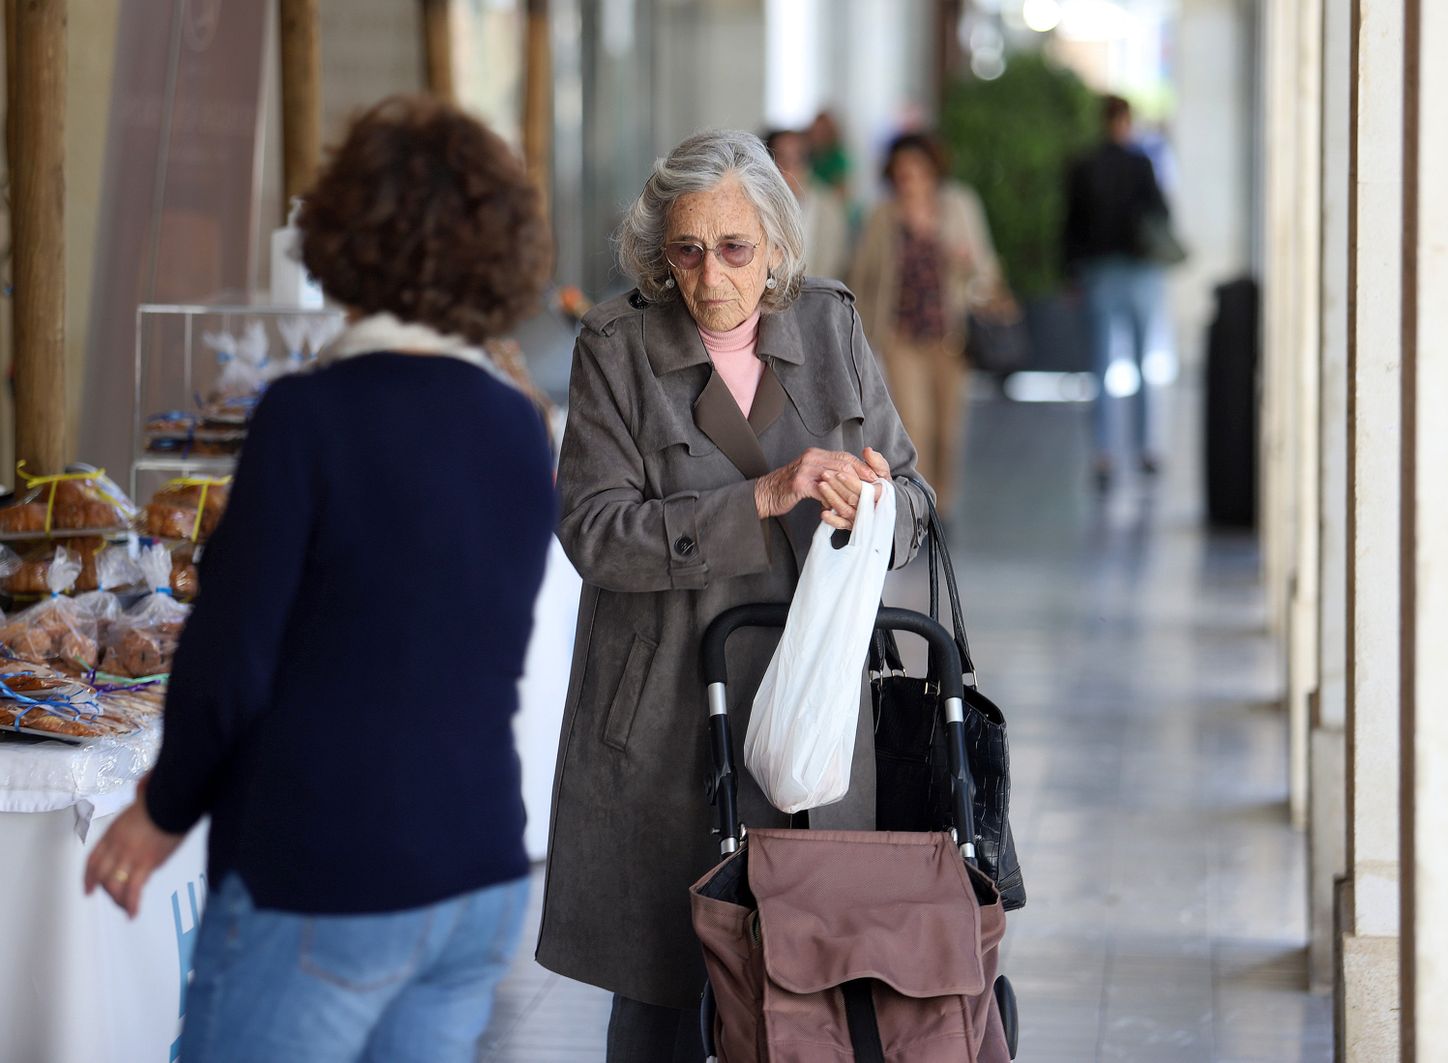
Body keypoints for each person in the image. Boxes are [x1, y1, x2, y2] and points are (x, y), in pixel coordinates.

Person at [82, 95, 557, 1062]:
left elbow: (230, 657)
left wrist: (161, 807)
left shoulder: (310, 416)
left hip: (328, 864)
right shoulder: (517, 423)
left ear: (347, 233)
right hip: (477, 870)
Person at [535, 128, 931, 1062]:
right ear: (660, 251)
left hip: (816, 709)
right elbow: (593, 532)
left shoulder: (831, 326)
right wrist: (760, 496)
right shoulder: (616, 347)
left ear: (777, 246)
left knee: (816, 988)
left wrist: (875, 509)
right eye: (687, 249)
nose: (710, 275)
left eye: (735, 248)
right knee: (667, 995)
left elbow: (916, 504)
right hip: (673, 711)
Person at [848, 131, 1002, 510]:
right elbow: (861, 272)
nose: (910, 179)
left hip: (952, 337)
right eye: (902, 172)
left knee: (949, 430)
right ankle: (922, 509)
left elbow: (985, 267)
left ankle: (944, 505)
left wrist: (964, 261)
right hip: (901, 337)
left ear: (933, 170)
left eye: (917, 170)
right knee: (915, 426)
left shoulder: (958, 206)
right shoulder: (884, 216)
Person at [1063, 94, 1175, 488]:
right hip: (1138, 271)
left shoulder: (1085, 165)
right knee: (1142, 364)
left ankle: (1104, 454)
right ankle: (1144, 449)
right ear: (1126, 120)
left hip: (1099, 272)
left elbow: (1071, 224)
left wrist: (1071, 275)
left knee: (1102, 366)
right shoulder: (1140, 163)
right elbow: (1161, 214)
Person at [765, 127, 851, 281]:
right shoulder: (757, 205)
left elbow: (836, 264)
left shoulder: (829, 207)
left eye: (798, 158)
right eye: (782, 158)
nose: (790, 168)